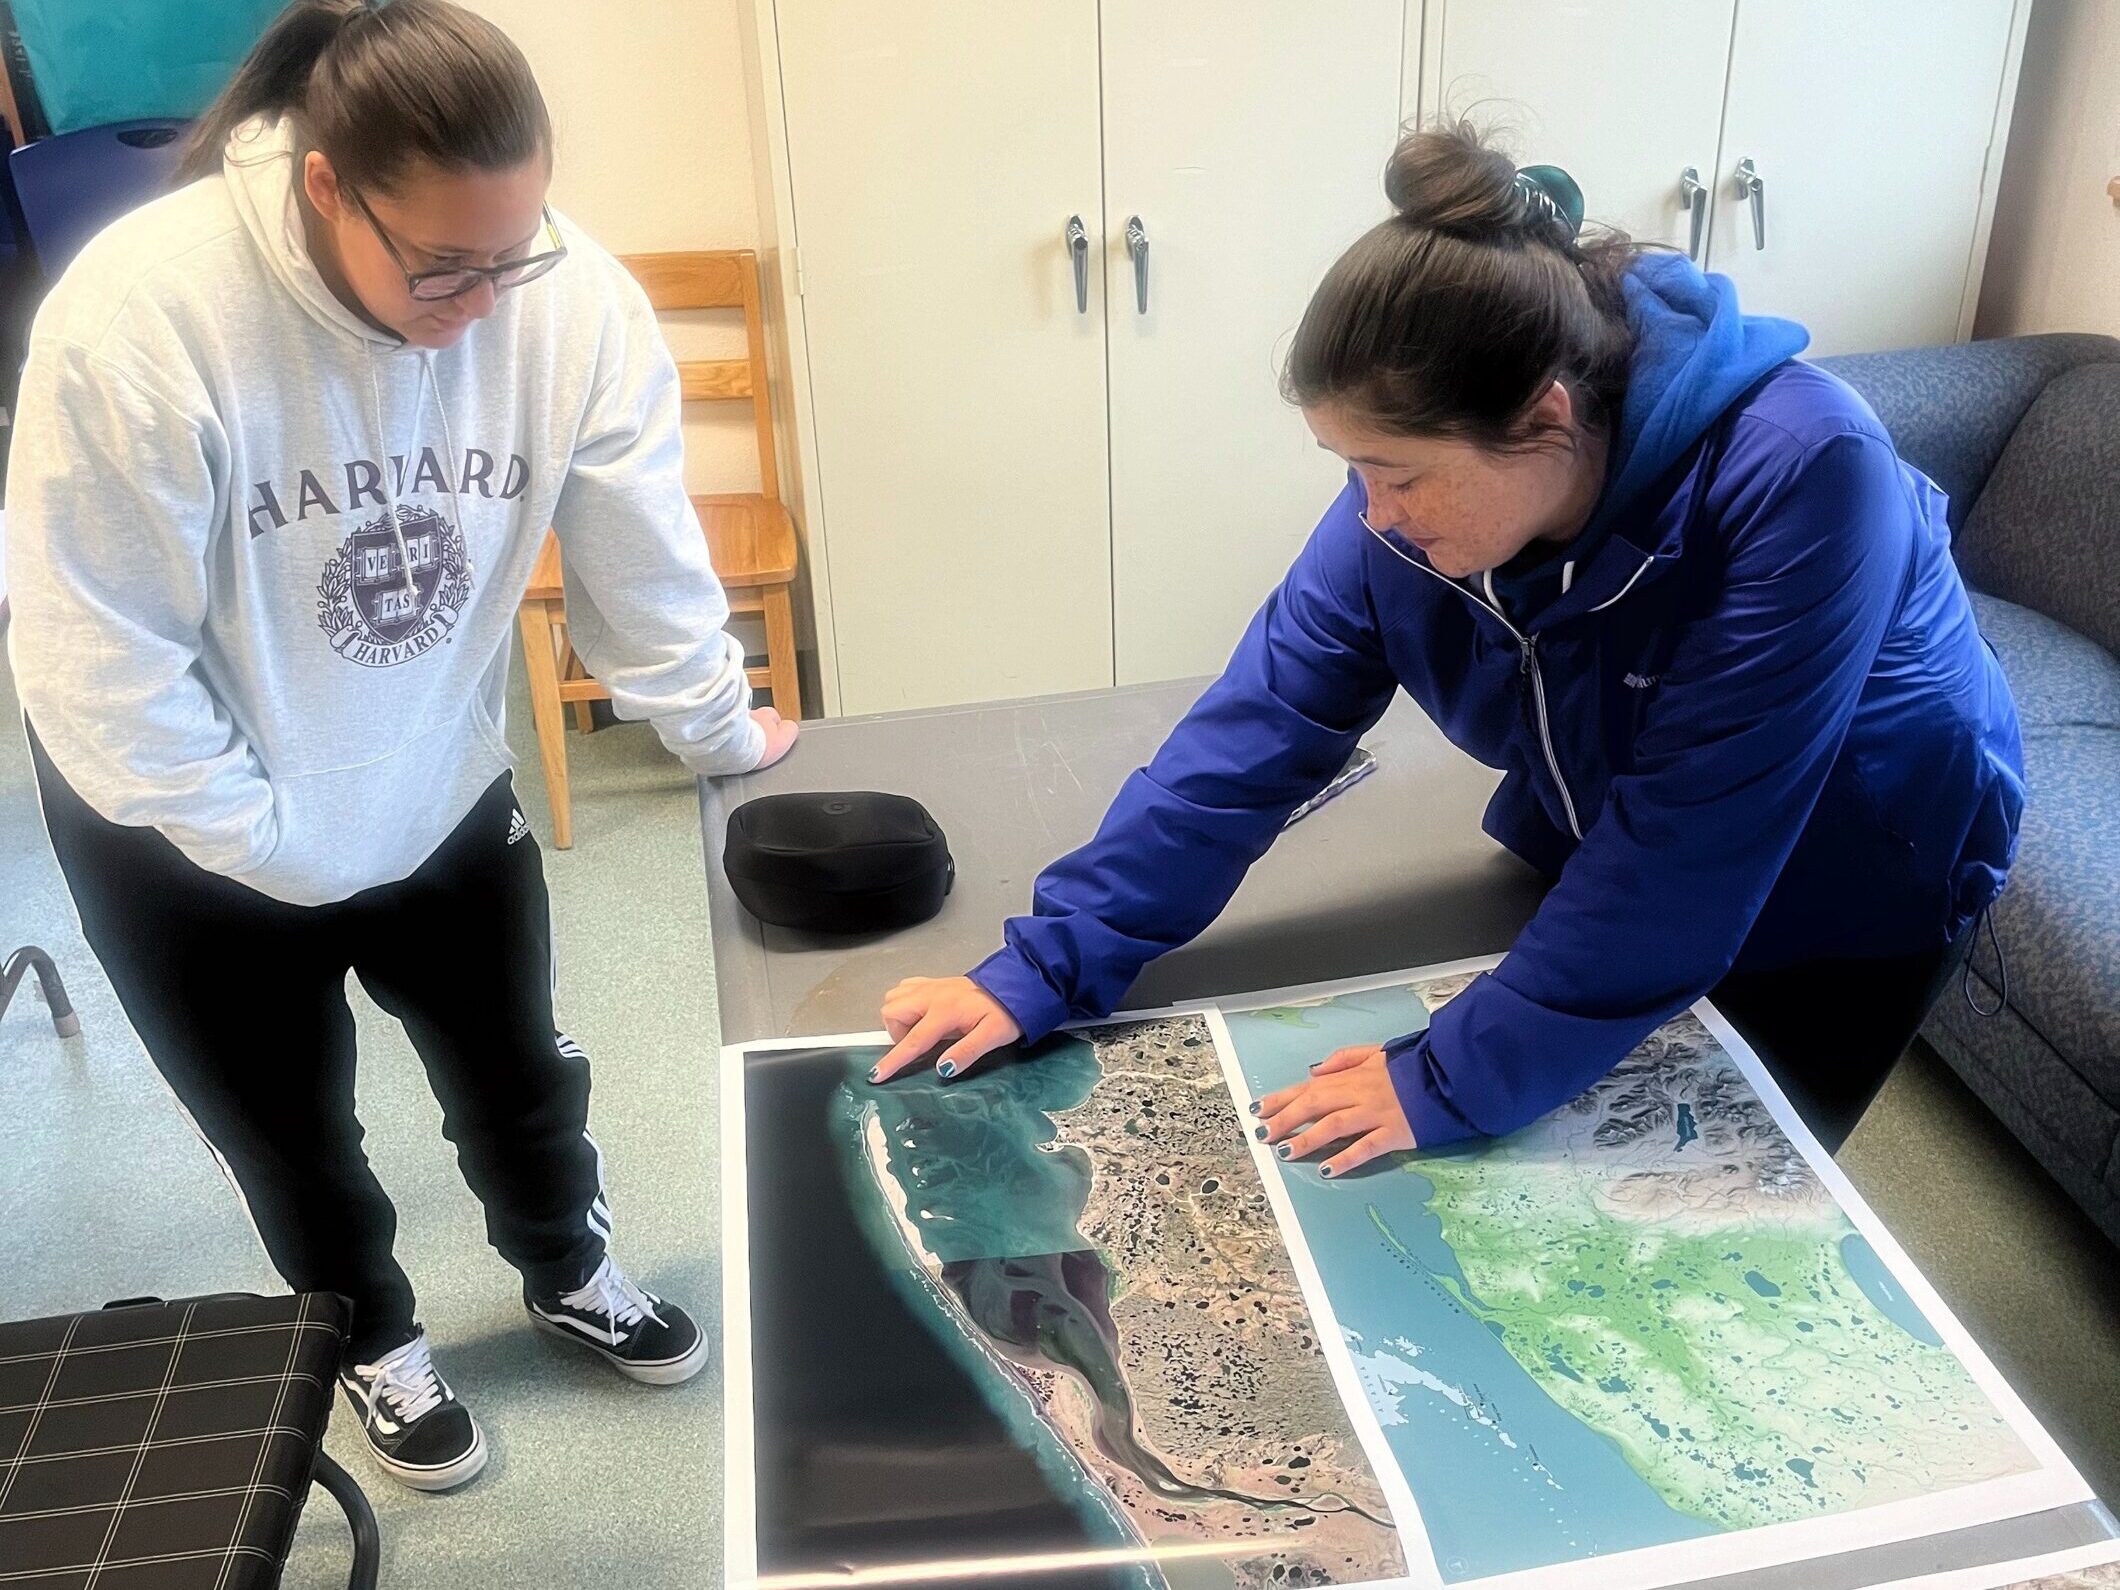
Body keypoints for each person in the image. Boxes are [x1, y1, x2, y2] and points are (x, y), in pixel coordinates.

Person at [870, 123, 2023, 1173]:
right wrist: (1049, 960)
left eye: (1399, 474)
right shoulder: (1413, 507)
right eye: (1350, 469)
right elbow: (1257, 729)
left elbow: (1693, 838)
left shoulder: (1806, 474)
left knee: (1720, 1199)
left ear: (1545, 419)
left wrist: (1445, 1074)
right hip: (1611, 837)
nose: (1372, 516)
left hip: (1850, 868)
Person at [8, 0, 795, 1492]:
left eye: (514, 255)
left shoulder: (568, 299)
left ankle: (568, 1269)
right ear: (322, 184)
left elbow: (643, 553)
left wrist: (712, 722)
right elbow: (93, 658)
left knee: (519, 1073)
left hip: (432, 773)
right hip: (182, 819)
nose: (485, 301)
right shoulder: (139, 318)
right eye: (442, 266)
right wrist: (280, 846)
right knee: (289, 1128)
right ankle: (371, 1338)